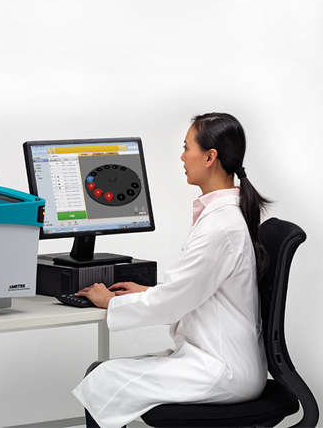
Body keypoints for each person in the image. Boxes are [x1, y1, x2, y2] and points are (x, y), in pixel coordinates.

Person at [72, 112, 270, 428]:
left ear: (210, 157)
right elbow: (194, 290)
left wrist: (111, 301)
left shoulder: (220, 225)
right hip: (219, 359)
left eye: (186, 147)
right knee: (101, 373)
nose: (182, 157)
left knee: (102, 378)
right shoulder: (223, 217)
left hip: (221, 368)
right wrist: (150, 292)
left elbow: (174, 303)